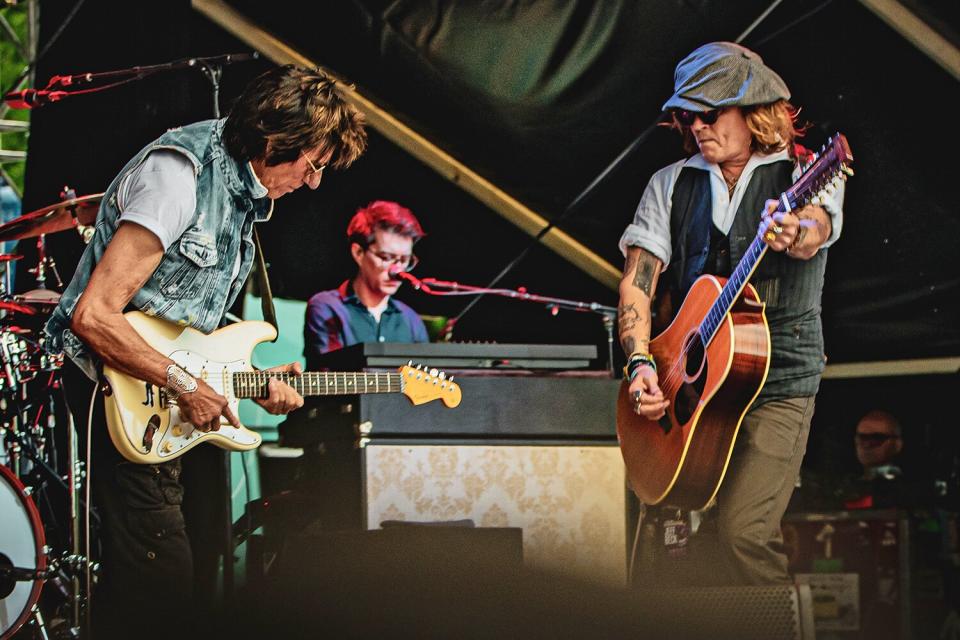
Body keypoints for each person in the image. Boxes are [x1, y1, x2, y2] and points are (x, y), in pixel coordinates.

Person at [42, 64, 367, 633]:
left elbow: (184, 333)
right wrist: (188, 386)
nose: (314, 182)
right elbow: (94, 315)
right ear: (274, 140)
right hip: (113, 392)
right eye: (311, 164)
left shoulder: (240, 196)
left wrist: (252, 380)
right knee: (159, 580)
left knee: (178, 569)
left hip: (161, 397)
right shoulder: (179, 175)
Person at [617, 42, 844, 586]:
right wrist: (641, 364)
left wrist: (795, 232)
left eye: (711, 113)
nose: (697, 125)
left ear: (754, 111)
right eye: (689, 115)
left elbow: (815, 229)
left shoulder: (807, 171)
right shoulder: (670, 184)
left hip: (778, 380)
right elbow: (637, 284)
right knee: (677, 541)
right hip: (693, 392)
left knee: (743, 533)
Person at [303, 200, 428, 368]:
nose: (397, 270)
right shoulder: (327, 307)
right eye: (386, 257)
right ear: (358, 253)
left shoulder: (411, 320)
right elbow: (330, 375)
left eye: (405, 260)